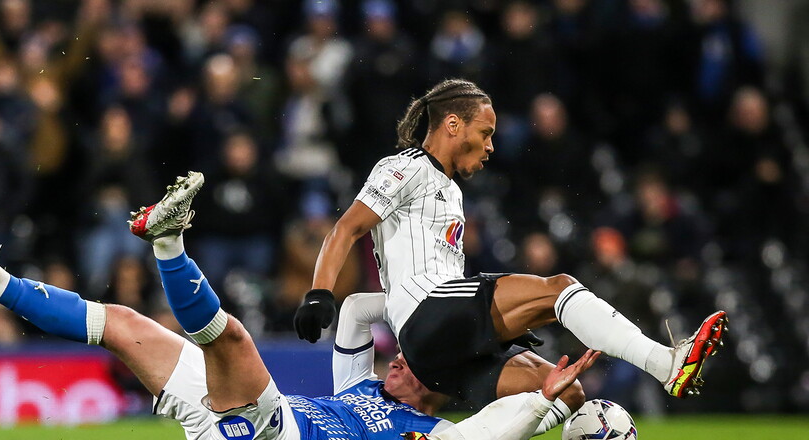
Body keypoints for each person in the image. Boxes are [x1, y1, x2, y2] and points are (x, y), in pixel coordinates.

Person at [0, 172, 595, 440]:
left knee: (230, 335)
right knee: (121, 322)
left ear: (438, 383)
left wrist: (546, 402)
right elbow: (358, 313)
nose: (397, 355)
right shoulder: (363, 386)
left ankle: (168, 242)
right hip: (240, 421)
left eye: (411, 360)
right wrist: (416, 307)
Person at [293, 78, 727, 417]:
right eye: (485, 133)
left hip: (442, 342)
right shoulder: (404, 168)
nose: (490, 146)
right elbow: (345, 229)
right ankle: (664, 363)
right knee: (559, 288)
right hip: (427, 312)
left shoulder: (452, 190)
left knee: (566, 391)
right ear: (452, 125)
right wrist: (319, 294)